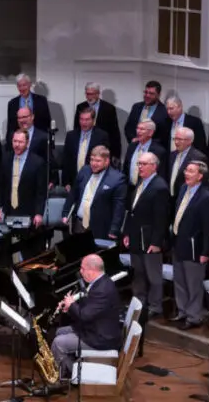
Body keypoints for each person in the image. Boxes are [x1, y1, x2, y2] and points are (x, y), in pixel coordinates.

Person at [46, 254, 121, 391]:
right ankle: (68, 370)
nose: (80, 271)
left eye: (82, 268)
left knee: (58, 343)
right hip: (94, 328)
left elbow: (85, 315)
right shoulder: (100, 282)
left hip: (100, 338)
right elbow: (88, 308)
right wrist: (70, 307)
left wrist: (72, 304)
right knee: (59, 332)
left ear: (92, 270)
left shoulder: (102, 289)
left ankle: (64, 378)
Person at [169, 161, 209, 329]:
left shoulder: (206, 197)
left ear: (200, 176)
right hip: (178, 243)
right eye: (186, 170)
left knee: (193, 284)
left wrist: (206, 251)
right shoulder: (183, 189)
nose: (186, 173)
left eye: (190, 171)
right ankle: (182, 312)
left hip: (195, 248)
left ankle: (194, 317)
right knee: (180, 281)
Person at [123, 152, 170, 318]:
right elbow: (132, 211)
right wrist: (128, 232)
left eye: (143, 164)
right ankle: (139, 303)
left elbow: (161, 218)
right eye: (139, 164)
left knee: (153, 275)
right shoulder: (141, 183)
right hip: (136, 238)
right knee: (139, 274)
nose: (140, 167)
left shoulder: (160, 187)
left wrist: (156, 242)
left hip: (150, 240)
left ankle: (155, 306)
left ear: (154, 166)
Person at [63, 146, 126, 240]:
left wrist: (114, 229)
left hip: (100, 228)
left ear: (107, 161)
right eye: (92, 160)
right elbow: (73, 194)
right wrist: (65, 213)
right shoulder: (84, 170)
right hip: (79, 224)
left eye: (98, 161)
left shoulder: (117, 179)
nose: (93, 163)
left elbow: (119, 208)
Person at [0, 129, 47, 228]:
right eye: (15, 141)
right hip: (8, 210)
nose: (17, 145)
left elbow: (41, 191)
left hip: (29, 212)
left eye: (20, 142)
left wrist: (39, 213)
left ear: (27, 143)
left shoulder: (37, 162)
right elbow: (0, 185)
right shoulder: (6, 159)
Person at [61, 107, 110, 191]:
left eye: (87, 120)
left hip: (94, 181)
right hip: (74, 182)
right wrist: (66, 182)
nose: (84, 122)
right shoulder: (71, 136)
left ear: (93, 120)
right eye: (81, 119)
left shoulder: (101, 136)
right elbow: (66, 160)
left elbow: (105, 161)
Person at [72, 82, 121, 160]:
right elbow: (76, 128)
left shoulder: (109, 108)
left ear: (98, 94)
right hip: (84, 147)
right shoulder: (80, 107)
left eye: (92, 94)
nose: (89, 97)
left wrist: (116, 154)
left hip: (102, 147)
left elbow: (114, 133)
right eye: (87, 94)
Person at [125, 81, 170, 148]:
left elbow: (164, 135)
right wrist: (132, 139)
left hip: (153, 150)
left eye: (151, 93)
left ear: (158, 95)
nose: (147, 95)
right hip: (134, 148)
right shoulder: (136, 107)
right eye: (146, 92)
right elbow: (128, 128)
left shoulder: (165, 111)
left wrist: (147, 143)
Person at [166, 127, 207, 200]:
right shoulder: (171, 155)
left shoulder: (198, 157)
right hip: (169, 198)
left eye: (180, 139)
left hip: (186, 198)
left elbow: (203, 182)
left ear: (190, 141)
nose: (176, 142)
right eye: (175, 139)